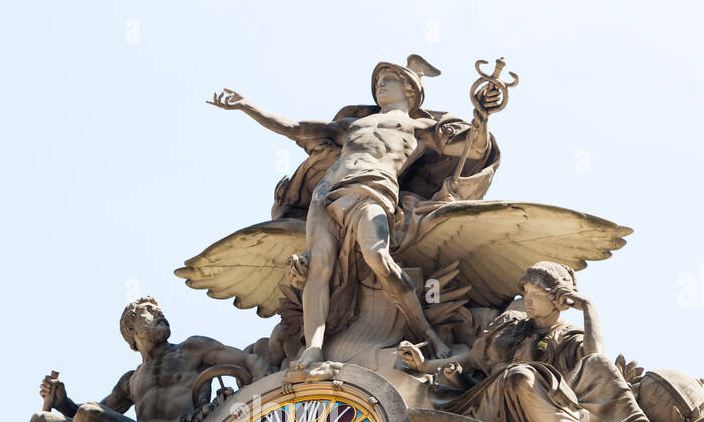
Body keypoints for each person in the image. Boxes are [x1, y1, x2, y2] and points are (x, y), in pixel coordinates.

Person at [209, 56, 500, 368]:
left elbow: (474, 146)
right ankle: (314, 348)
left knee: (380, 259)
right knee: (319, 266)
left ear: (409, 90)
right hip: (328, 194)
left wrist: (481, 114)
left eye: (388, 80)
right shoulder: (351, 126)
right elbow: (295, 129)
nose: (379, 85)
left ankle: (426, 332)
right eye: (378, 81)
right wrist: (247, 106)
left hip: (374, 191)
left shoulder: (419, 127)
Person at [397, 262, 666, 422]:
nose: (528, 302)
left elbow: (594, 358)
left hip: (539, 411)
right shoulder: (510, 326)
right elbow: (471, 359)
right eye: (526, 294)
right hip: (487, 405)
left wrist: (588, 308)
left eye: (537, 296)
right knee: (519, 375)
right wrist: (424, 365)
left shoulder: (567, 336)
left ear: (559, 301)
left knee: (536, 374)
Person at [15, 297, 268, 422]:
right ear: (131, 327)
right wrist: (63, 403)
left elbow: (248, 361)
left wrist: (266, 398)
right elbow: (95, 413)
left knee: (88, 414)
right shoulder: (131, 380)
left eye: (160, 311)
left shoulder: (192, 349)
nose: (161, 314)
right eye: (150, 310)